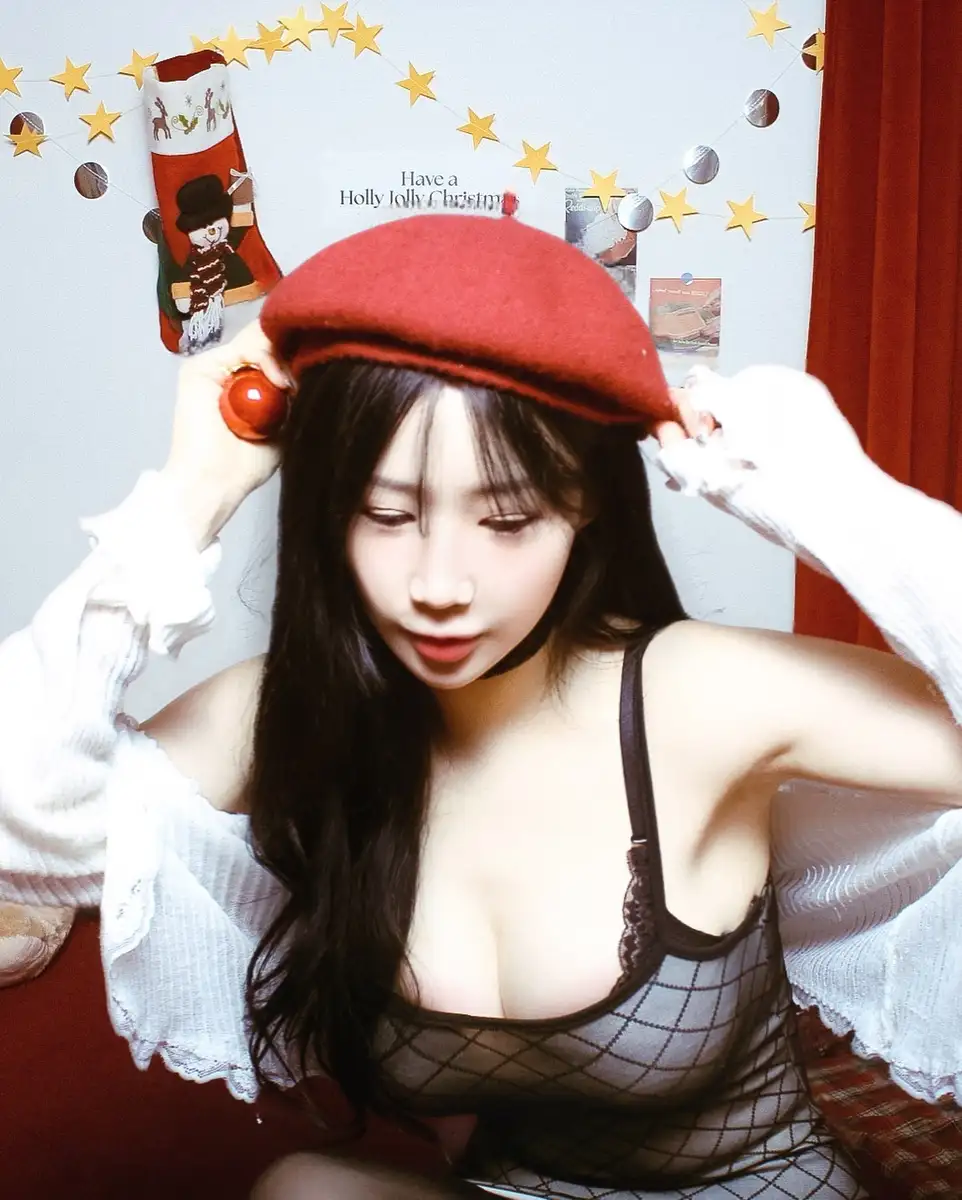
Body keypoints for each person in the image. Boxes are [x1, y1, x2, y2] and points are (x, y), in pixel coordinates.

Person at [0, 213, 959, 1200]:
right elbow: (26, 829)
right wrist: (188, 495)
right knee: (304, 1189)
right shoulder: (296, 711)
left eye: (505, 519)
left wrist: (833, 497)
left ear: (582, 505)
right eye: (386, 514)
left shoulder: (693, 697)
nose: (439, 585)